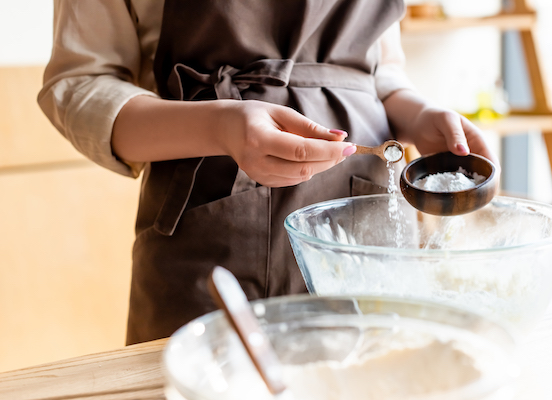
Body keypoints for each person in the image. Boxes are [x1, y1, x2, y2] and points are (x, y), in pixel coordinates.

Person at [39, 0, 500, 345]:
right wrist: (219, 128)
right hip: (208, 231)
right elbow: (80, 82)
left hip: (362, 232)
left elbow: (380, 72)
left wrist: (418, 115)